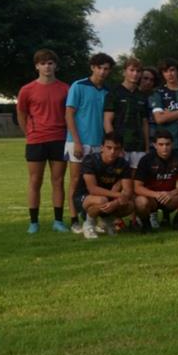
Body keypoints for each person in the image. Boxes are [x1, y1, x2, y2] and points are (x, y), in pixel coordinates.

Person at [16, 48, 70, 233]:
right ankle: (33, 222)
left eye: (50, 63)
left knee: (58, 181)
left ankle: (58, 221)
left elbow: (70, 114)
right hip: (36, 140)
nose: (47, 67)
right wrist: (29, 133)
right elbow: (21, 113)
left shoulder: (65, 88)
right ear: (36, 66)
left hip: (59, 139)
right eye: (43, 63)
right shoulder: (27, 90)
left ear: (55, 66)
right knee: (35, 181)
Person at [64, 52, 114, 231]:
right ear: (92, 67)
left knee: (95, 183)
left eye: (106, 69)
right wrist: (77, 142)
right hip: (79, 141)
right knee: (76, 180)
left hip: (99, 143)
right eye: (99, 68)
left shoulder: (108, 91)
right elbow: (69, 114)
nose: (102, 72)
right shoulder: (78, 86)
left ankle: (93, 218)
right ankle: (73, 220)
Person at [133, 132, 178, 231]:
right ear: (155, 145)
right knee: (140, 201)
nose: (164, 148)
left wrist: (171, 193)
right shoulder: (146, 160)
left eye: (167, 144)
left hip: (170, 198)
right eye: (161, 145)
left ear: (172, 144)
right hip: (151, 198)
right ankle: (146, 224)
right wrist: (156, 194)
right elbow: (137, 187)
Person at [75, 134, 134, 240]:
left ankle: (107, 221)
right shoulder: (90, 160)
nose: (112, 151)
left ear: (121, 150)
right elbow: (92, 189)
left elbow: (128, 191)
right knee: (102, 200)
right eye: (109, 147)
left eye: (116, 149)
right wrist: (118, 195)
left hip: (109, 198)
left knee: (129, 205)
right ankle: (89, 224)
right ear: (102, 147)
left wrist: (116, 202)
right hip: (85, 197)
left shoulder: (123, 164)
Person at [104, 57, 150, 169]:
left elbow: (145, 123)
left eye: (138, 71)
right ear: (124, 72)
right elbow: (107, 121)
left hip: (139, 147)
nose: (135, 74)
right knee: (118, 182)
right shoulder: (114, 93)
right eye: (132, 70)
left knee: (136, 182)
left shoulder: (142, 96)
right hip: (120, 147)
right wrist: (115, 146)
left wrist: (147, 147)